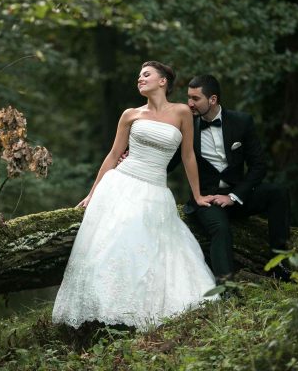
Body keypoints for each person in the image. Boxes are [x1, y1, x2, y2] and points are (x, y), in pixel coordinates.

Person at [52, 61, 218, 330]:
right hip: (121, 183)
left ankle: (140, 311)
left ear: (163, 81)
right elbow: (114, 155)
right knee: (114, 241)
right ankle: (104, 309)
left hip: (155, 189)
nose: (139, 79)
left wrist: (197, 195)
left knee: (152, 249)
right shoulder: (130, 114)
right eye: (138, 76)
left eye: (146, 74)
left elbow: (188, 155)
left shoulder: (181, 113)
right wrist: (92, 193)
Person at [169, 74, 291, 281]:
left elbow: (259, 166)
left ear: (213, 99)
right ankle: (225, 286)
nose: (190, 104)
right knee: (221, 229)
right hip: (207, 199)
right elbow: (168, 162)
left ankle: (279, 267)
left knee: (278, 193)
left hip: (237, 195)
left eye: (196, 99)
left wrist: (234, 196)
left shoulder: (242, 122)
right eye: (188, 97)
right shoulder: (187, 127)